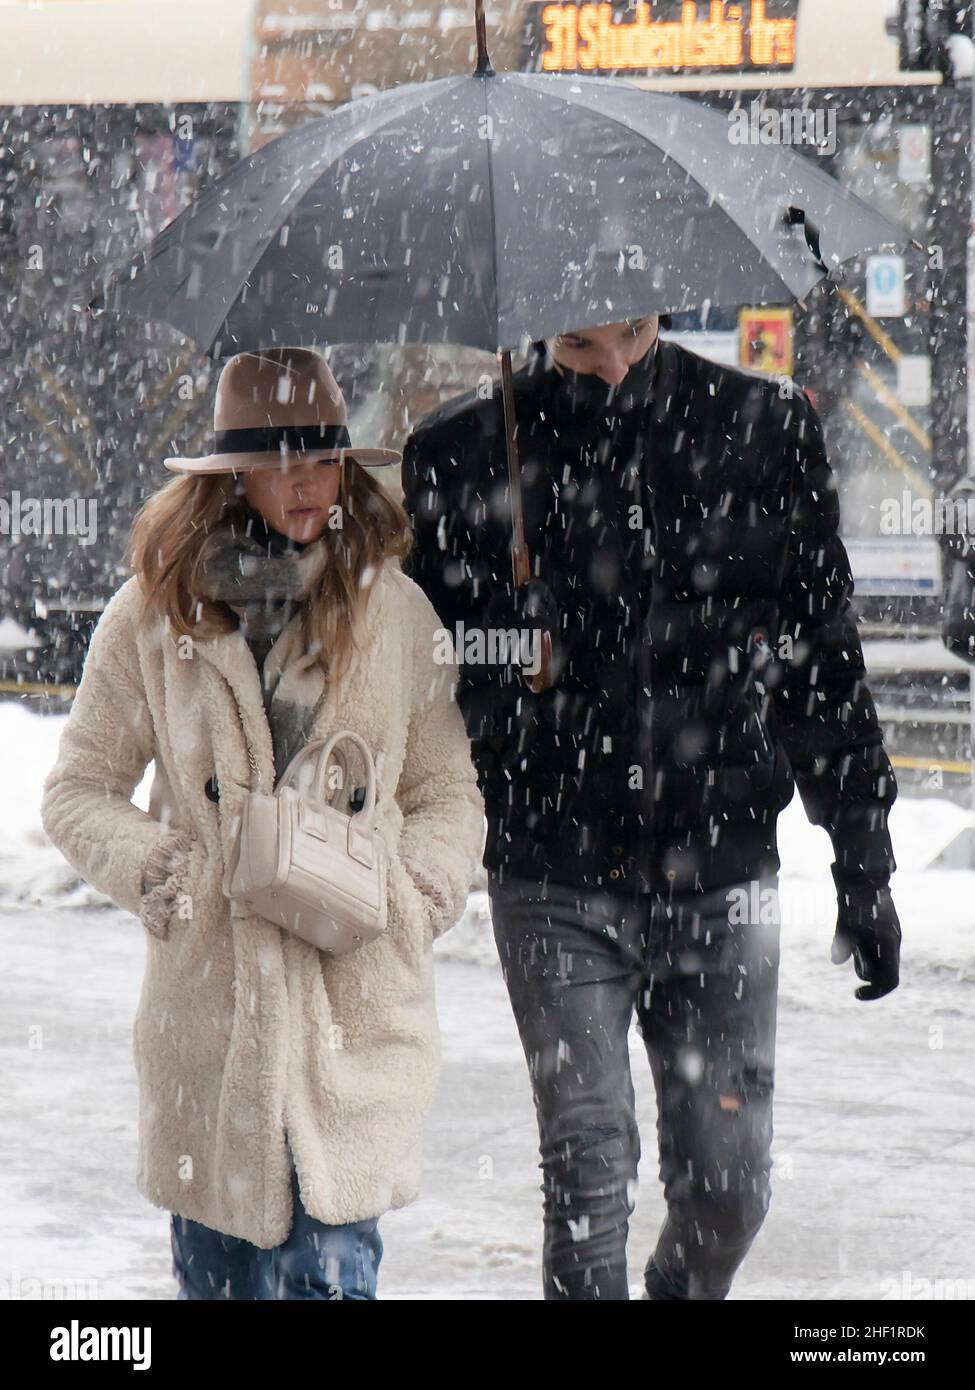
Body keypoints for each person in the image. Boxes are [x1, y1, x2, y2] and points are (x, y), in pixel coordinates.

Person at [401, 315, 902, 1301]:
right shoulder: (463, 453)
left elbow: (823, 667)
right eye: (584, 346)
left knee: (729, 1188)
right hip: (552, 873)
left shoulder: (760, 430)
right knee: (587, 1172)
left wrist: (865, 866)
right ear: (539, 324)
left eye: (631, 333)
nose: (617, 365)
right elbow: (416, 681)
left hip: (721, 873)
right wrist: (509, 650)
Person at [40, 347, 484, 1300]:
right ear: (231, 472)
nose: (307, 483)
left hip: (348, 1026)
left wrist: (414, 892)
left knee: (328, 1282)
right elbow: (76, 790)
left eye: (323, 459)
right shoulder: (153, 617)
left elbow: (447, 792)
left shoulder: (394, 613)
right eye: (281, 460)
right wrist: (171, 876)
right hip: (210, 1035)